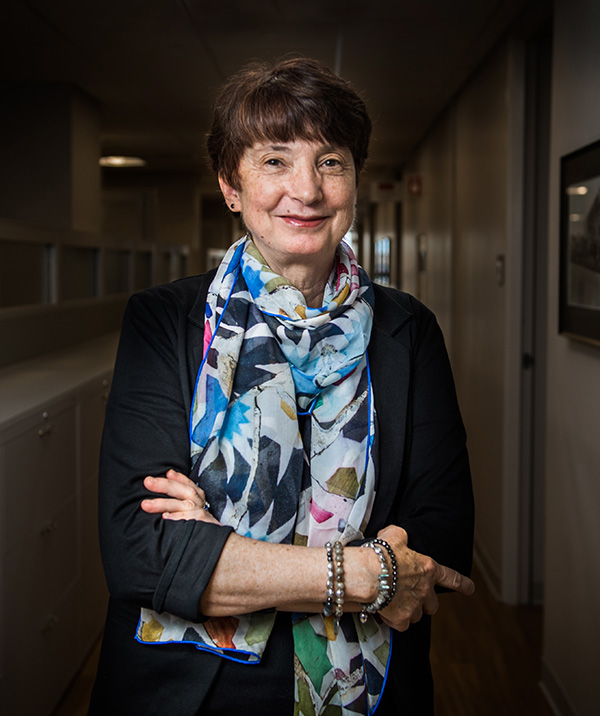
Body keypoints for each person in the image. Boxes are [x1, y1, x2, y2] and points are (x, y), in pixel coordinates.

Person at [88, 57, 475, 716]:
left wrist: (214, 550)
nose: (307, 188)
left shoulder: (408, 331)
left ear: (355, 180)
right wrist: (361, 572)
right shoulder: (164, 322)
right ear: (229, 184)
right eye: (274, 160)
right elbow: (141, 552)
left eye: (331, 161)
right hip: (186, 688)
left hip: (366, 688)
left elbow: (439, 539)